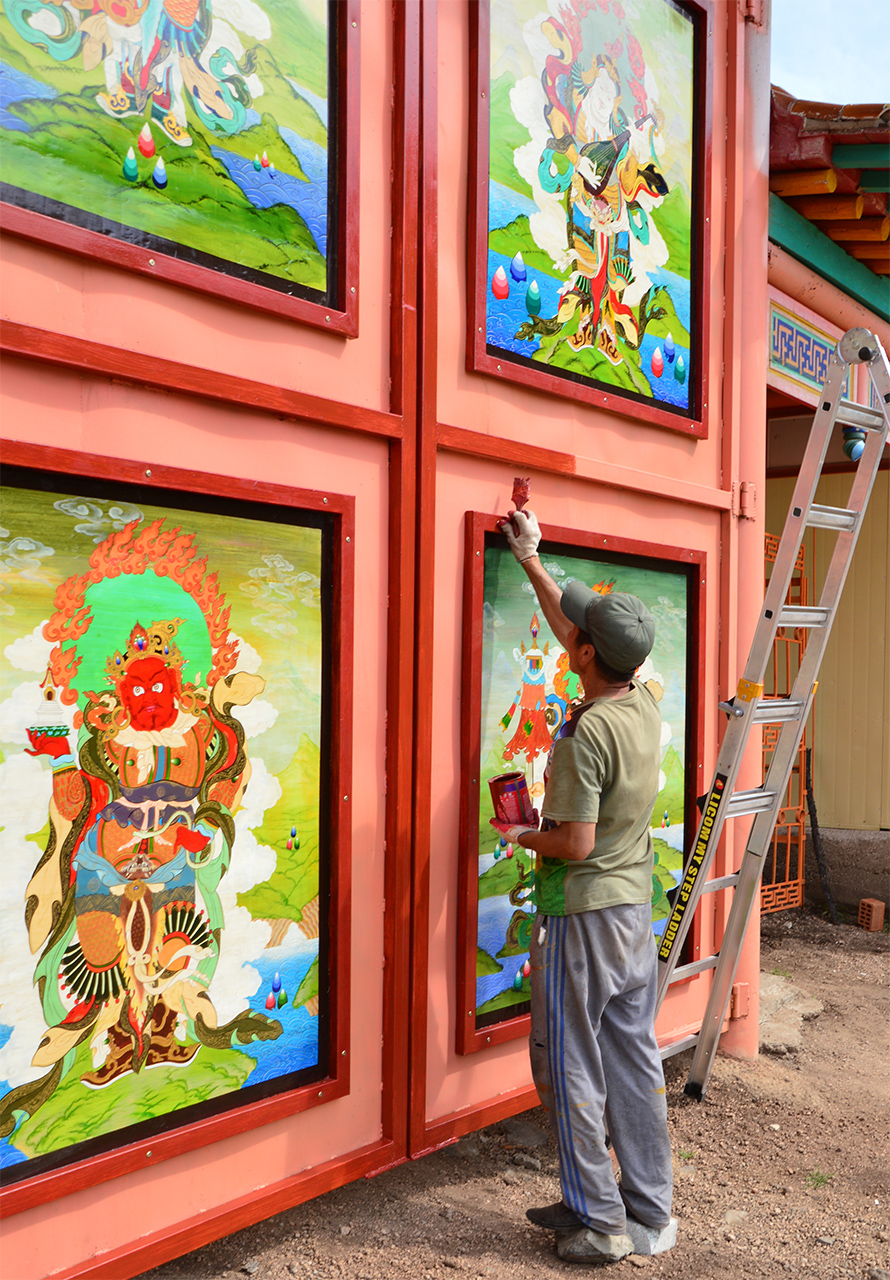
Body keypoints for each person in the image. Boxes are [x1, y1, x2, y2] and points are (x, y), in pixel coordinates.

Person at [491, 508, 677, 1266]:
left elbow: (574, 843)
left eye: (580, 636)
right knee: (632, 1057)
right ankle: (648, 1211)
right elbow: (575, 625)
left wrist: (519, 835)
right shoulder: (643, 702)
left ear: (588, 653)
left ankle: (598, 1220)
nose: (570, 636)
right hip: (633, 912)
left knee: (567, 1062)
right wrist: (533, 561)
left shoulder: (582, 736)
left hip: (584, 914)